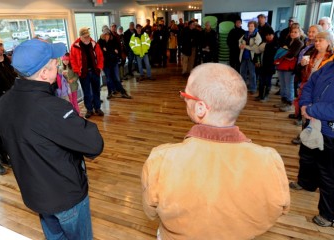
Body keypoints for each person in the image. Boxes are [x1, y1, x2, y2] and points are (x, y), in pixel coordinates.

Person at [141, 63, 290, 240]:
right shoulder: (269, 160)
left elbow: (150, 211)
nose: (184, 99)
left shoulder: (162, 159)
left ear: (200, 108)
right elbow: (280, 208)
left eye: (185, 95)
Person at [0, 38, 104, 239]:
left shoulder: (3, 103)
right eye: (54, 63)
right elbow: (94, 144)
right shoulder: (54, 109)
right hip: (66, 196)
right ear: (44, 73)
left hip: (35, 195)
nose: (58, 64)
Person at [293, 52, 334, 227]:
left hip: (330, 132)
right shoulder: (329, 66)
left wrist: (312, 110)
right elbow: (310, 84)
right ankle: (307, 183)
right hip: (313, 124)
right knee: (307, 157)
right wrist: (304, 105)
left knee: (329, 175)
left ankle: (328, 215)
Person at [70, 27, 104, 118]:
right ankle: (89, 109)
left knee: (96, 91)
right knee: (87, 92)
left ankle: (97, 108)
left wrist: (99, 67)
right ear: (80, 37)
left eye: (88, 36)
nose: (87, 38)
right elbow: (72, 60)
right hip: (83, 73)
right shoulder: (74, 46)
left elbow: (100, 57)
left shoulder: (94, 44)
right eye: (85, 37)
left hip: (94, 71)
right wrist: (77, 70)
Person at [274, 23, 304, 112]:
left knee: (289, 85)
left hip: (290, 67)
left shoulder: (299, 42)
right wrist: (285, 52)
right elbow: (281, 50)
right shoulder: (287, 40)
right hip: (282, 65)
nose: (293, 33)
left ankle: (289, 103)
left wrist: (284, 51)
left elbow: (292, 55)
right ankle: (283, 101)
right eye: (292, 32)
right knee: (282, 84)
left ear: (299, 33)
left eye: (295, 32)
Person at [0, 38, 17, 175]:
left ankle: (7, 156)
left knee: (8, 131)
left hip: (11, 100)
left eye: (1, 45)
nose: (0, 47)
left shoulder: (8, 60)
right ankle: (0, 159)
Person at [98, 29, 132, 99]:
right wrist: (111, 51)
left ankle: (123, 92)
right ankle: (109, 93)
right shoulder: (100, 42)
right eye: (106, 35)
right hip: (106, 64)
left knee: (116, 78)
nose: (107, 36)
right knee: (108, 79)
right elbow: (101, 53)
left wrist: (109, 50)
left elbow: (116, 51)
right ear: (103, 35)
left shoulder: (112, 41)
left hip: (114, 62)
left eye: (108, 35)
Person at [239, 20, 262, 94]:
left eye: (252, 26)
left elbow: (255, 47)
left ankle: (253, 88)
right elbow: (239, 41)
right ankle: (242, 87)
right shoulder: (245, 34)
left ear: (255, 27)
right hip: (243, 56)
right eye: (249, 26)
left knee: (252, 73)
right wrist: (240, 45)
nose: (250, 27)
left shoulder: (257, 35)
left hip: (251, 57)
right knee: (242, 73)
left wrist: (245, 46)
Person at [256, 28, 279, 102]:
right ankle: (260, 95)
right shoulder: (263, 43)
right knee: (261, 81)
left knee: (267, 81)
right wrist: (257, 61)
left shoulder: (276, 44)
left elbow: (274, 56)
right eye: (267, 35)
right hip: (262, 66)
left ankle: (266, 96)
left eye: (270, 35)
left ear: (273, 35)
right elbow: (257, 53)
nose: (268, 36)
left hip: (270, 66)